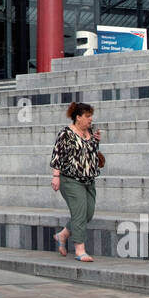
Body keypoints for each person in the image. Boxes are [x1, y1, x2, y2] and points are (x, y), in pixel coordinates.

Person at [49, 102, 102, 263]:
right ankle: (80, 249)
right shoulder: (66, 133)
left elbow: (90, 152)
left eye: (91, 116)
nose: (90, 119)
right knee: (79, 212)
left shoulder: (90, 132)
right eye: (87, 116)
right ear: (78, 117)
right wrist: (56, 176)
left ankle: (63, 235)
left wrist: (95, 141)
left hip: (89, 180)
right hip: (70, 179)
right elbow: (57, 155)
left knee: (88, 213)